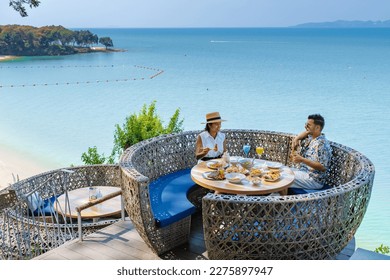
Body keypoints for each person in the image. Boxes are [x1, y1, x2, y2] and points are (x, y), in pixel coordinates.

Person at [290, 114, 332, 190]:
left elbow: (323, 167)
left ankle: (278, 200)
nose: (305, 126)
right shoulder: (311, 136)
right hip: (303, 172)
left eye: (308, 125)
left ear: (317, 128)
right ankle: (276, 197)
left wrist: (302, 159)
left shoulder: (321, 144)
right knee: (282, 172)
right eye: (305, 124)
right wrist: (297, 138)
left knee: (285, 178)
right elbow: (305, 132)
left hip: (314, 179)